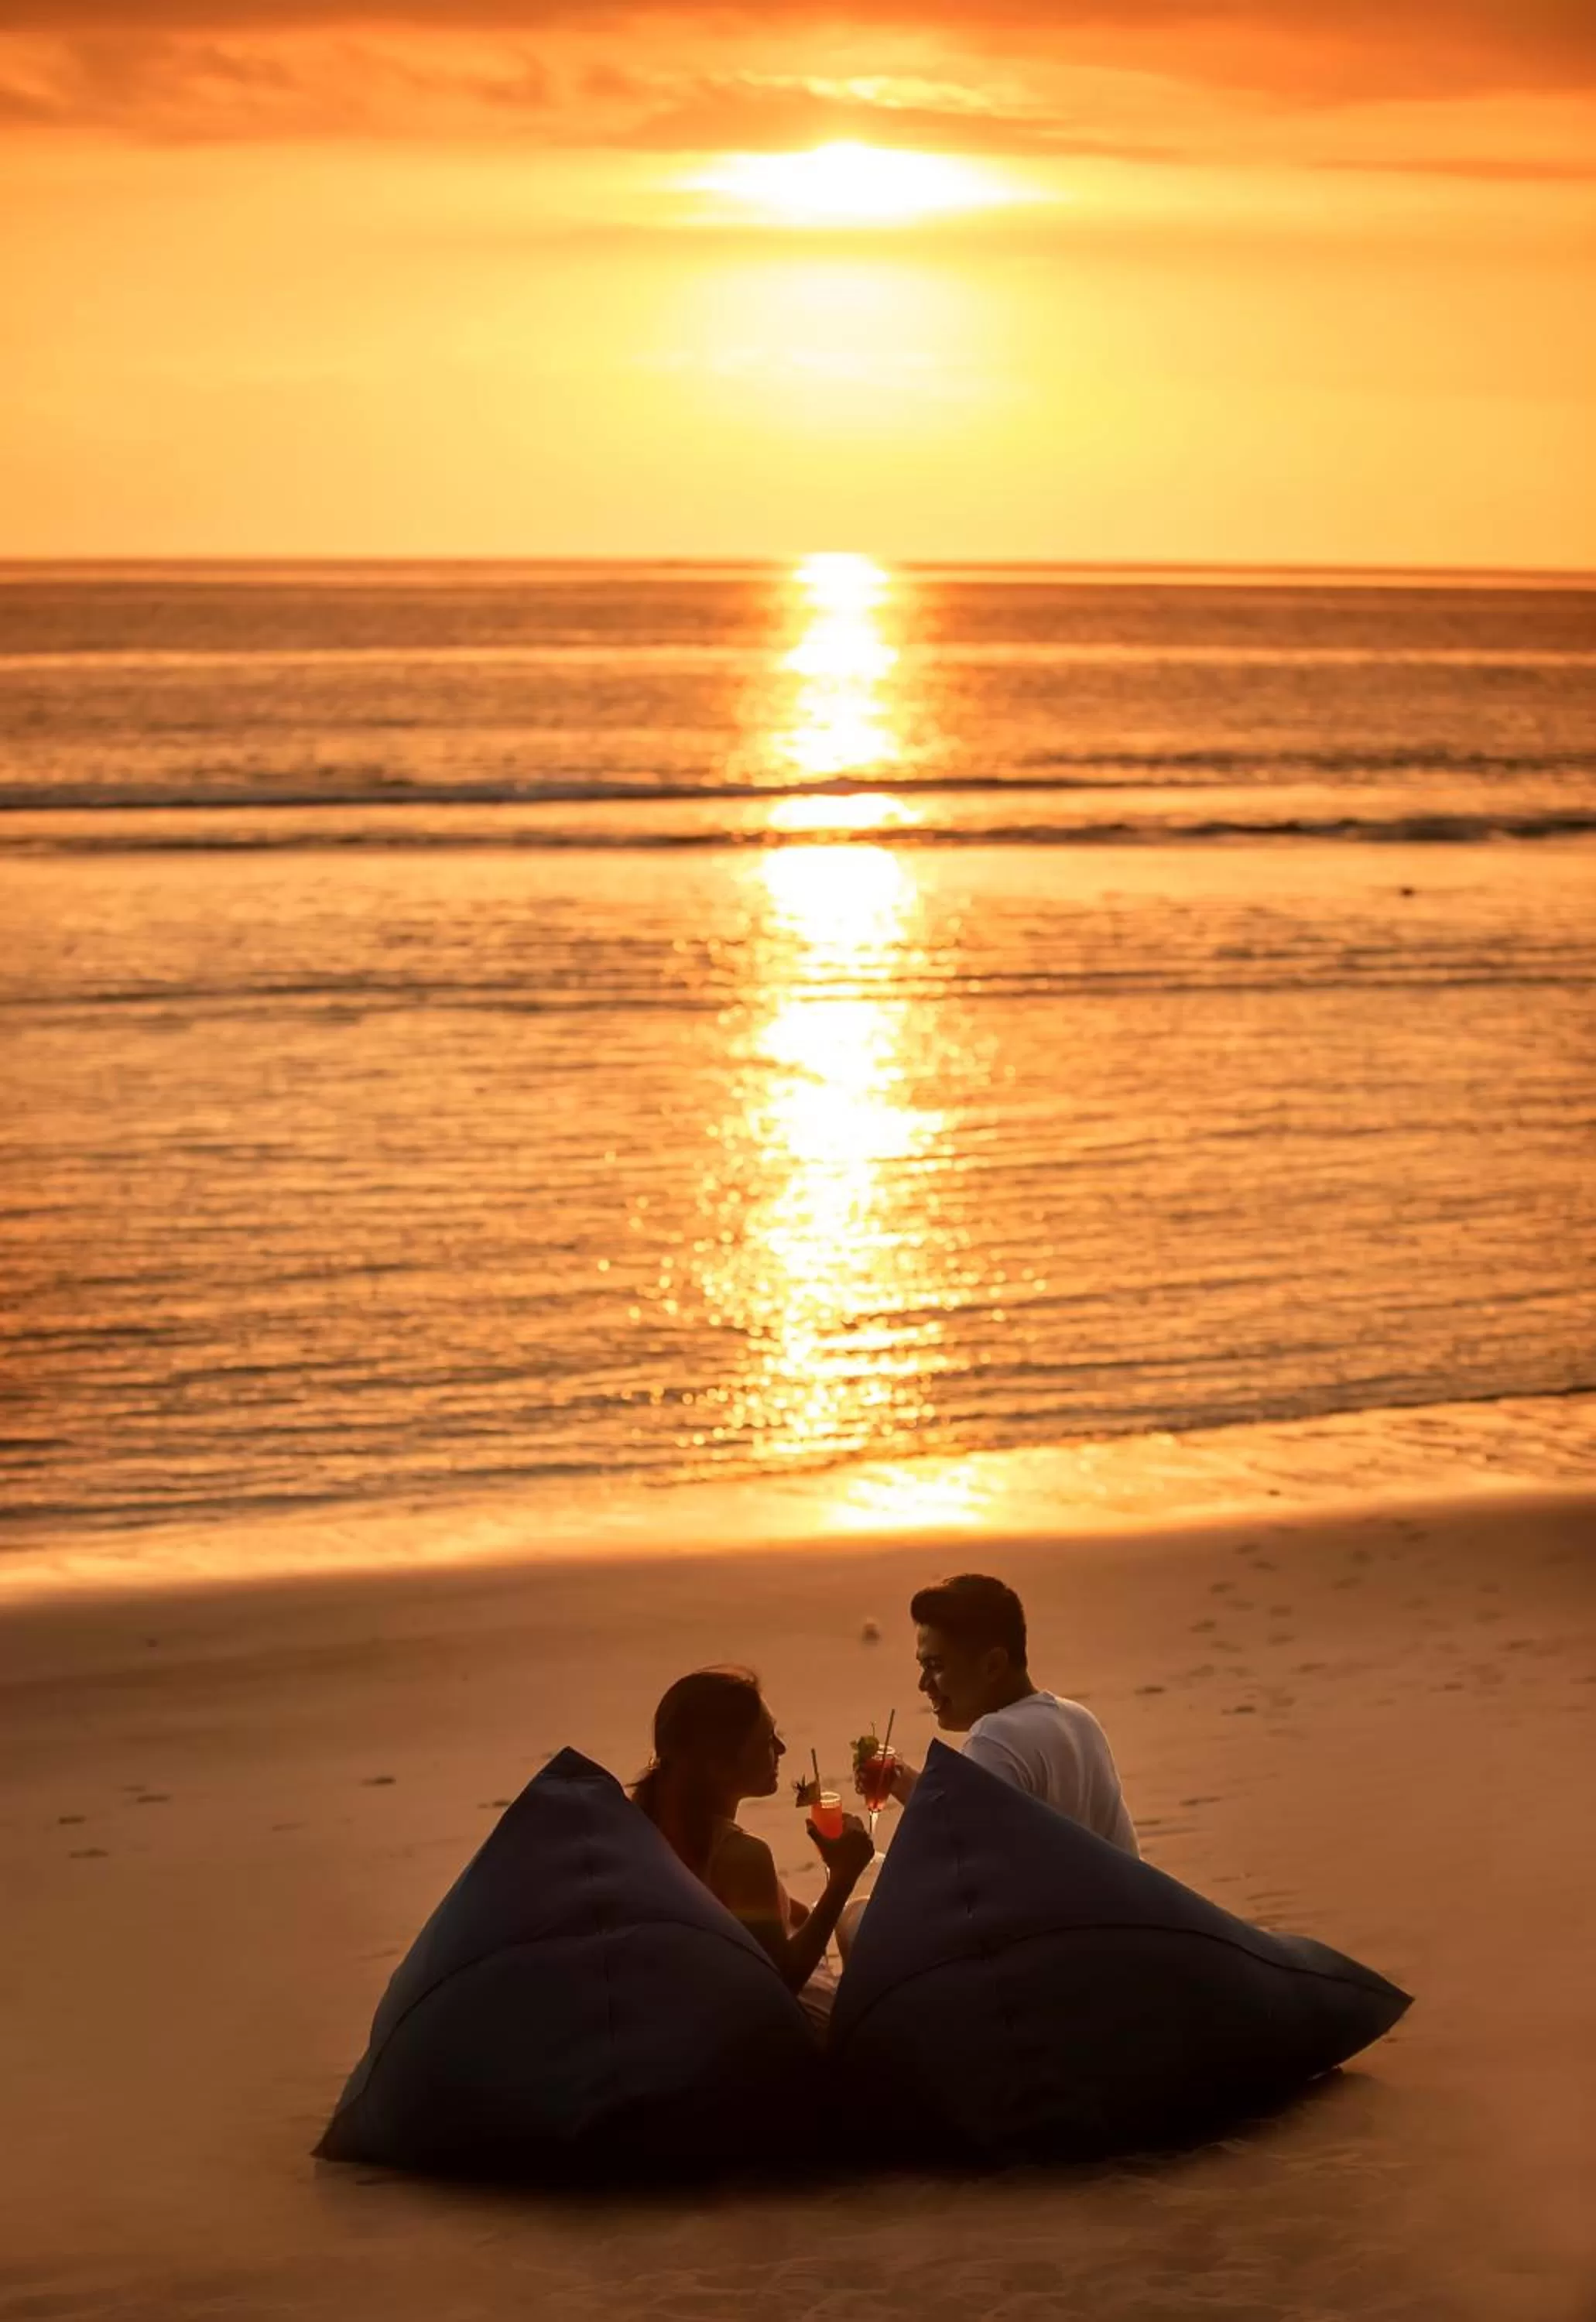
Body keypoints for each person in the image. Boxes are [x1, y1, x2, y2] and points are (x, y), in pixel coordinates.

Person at [632, 1666, 873, 2022]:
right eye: (767, 1740)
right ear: (719, 1765)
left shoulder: (647, 1826)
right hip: (779, 2035)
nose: (782, 1748)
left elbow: (772, 1920)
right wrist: (843, 1877)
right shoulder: (740, 1855)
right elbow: (782, 1979)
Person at [862, 1572, 1139, 1855]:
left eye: (936, 1666)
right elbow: (970, 1824)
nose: (924, 1685)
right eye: (923, 1666)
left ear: (993, 1665)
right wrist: (902, 1778)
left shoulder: (994, 1736)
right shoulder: (1079, 1719)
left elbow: (964, 1855)